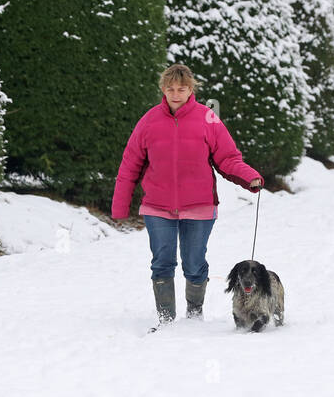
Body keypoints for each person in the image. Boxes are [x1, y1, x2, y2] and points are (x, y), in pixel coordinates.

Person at [111, 63, 263, 326]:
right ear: (163, 89)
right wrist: (120, 206)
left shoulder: (208, 118)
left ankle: (194, 315)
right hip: (157, 206)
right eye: (170, 89)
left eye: (181, 89)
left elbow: (227, 157)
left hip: (199, 205)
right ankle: (166, 319)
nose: (175, 94)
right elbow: (130, 165)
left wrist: (249, 176)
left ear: (191, 89)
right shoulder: (149, 120)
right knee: (162, 262)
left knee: (194, 263)